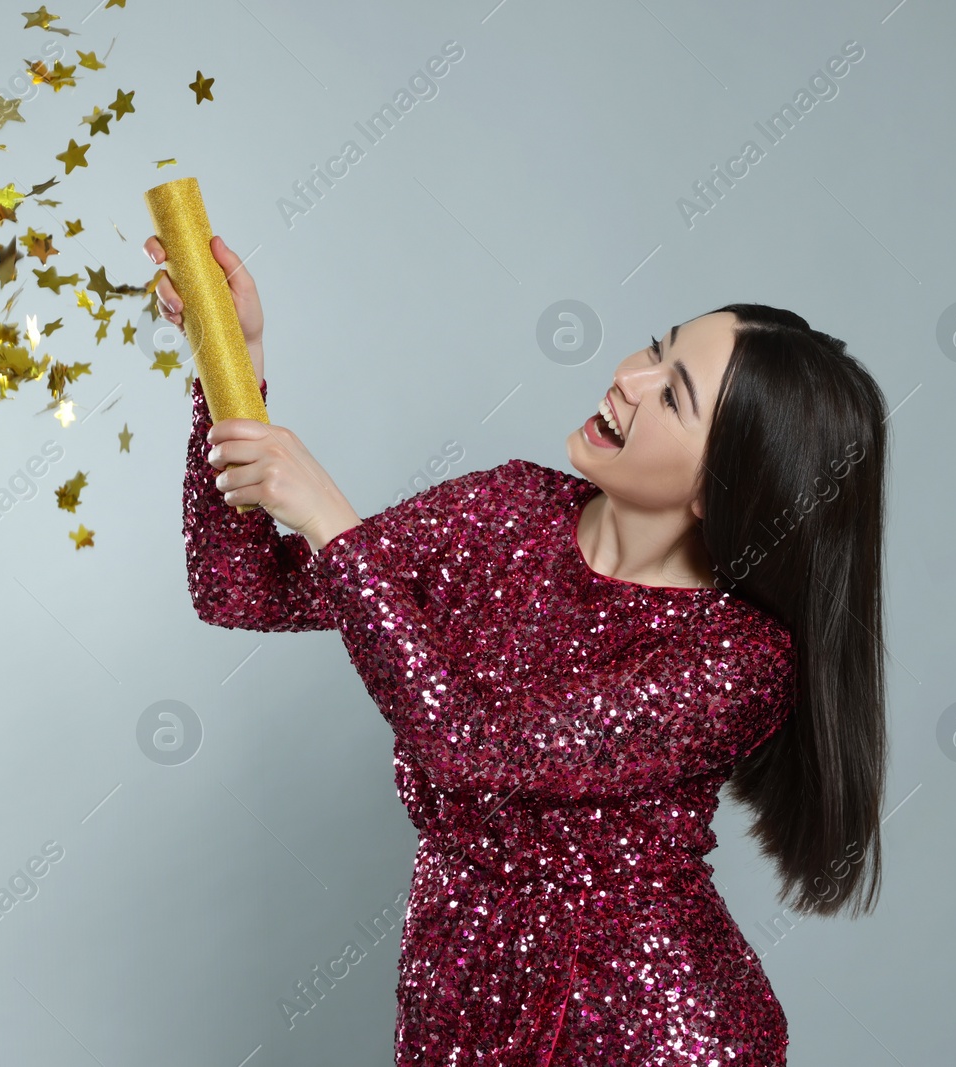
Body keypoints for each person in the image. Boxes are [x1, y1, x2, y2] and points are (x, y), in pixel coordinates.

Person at [148, 233, 889, 1065]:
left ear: (727, 484)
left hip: (649, 1034)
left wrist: (331, 521)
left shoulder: (740, 662)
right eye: (654, 347)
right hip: (457, 990)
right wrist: (230, 364)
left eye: (673, 395)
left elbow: (470, 747)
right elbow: (241, 589)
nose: (628, 378)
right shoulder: (505, 510)